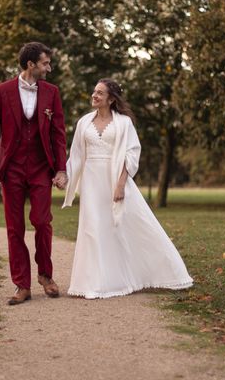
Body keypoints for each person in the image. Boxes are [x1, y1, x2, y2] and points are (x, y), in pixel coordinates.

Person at [62, 78, 193, 299]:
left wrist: (121, 184)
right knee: (93, 229)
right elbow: (75, 155)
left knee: (134, 224)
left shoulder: (124, 123)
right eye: (94, 91)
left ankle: (165, 272)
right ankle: (95, 284)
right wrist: (65, 177)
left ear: (111, 99)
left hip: (115, 179)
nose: (94, 95)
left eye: (100, 93)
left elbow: (131, 153)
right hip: (91, 182)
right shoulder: (84, 122)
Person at [0, 42, 68, 305]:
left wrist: (61, 169)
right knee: (14, 227)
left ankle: (45, 274)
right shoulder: (0, 92)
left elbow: (58, 133)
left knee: (42, 221)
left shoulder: (52, 93)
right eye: (45, 63)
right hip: (12, 168)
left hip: (41, 167)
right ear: (30, 64)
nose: (49, 68)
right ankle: (22, 284)